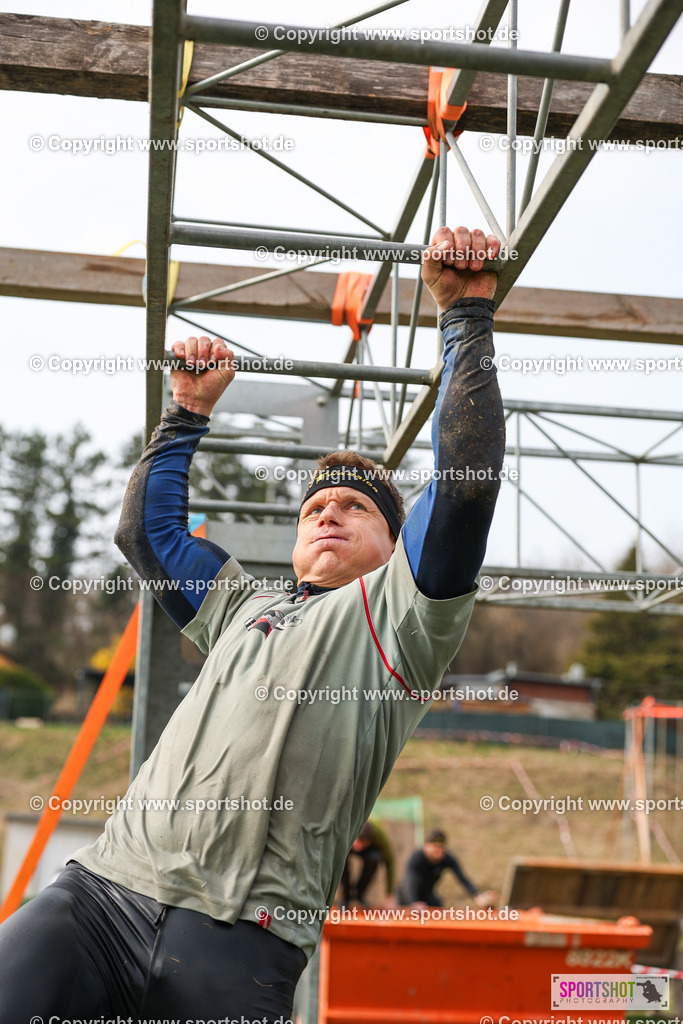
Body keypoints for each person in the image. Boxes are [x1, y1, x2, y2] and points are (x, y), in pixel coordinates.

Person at [0, 226, 504, 1022]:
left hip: (239, 936)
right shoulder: (240, 606)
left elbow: (466, 484)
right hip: (102, 897)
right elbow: (148, 538)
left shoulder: (403, 617)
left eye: (355, 508)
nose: (329, 514)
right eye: (314, 508)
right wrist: (185, 414)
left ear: (395, 546)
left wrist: (465, 318)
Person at [397, 828, 496, 909]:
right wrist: (414, 902)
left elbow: (462, 878)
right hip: (408, 895)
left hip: (427, 895)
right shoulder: (417, 858)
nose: (438, 852)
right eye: (435, 848)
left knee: (437, 906)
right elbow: (411, 881)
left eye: (441, 848)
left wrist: (477, 896)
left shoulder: (446, 859)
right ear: (426, 846)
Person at [340, 819, 395, 906]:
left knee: (374, 858)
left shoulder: (379, 835)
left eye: (363, 844)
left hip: (369, 851)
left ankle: (359, 893)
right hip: (348, 845)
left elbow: (390, 862)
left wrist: (389, 893)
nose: (360, 848)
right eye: (358, 843)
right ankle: (346, 898)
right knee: (341, 860)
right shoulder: (345, 829)